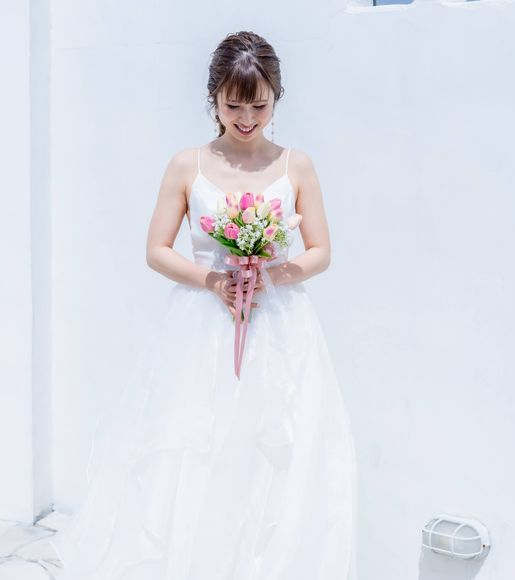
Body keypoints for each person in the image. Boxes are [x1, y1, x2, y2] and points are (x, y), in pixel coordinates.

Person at [49, 30, 359, 579]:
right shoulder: (186, 165)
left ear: (277, 97)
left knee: (273, 453)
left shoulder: (297, 166)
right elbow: (156, 250)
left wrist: (267, 276)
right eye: (233, 105)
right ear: (213, 97)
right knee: (202, 448)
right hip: (202, 330)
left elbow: (320, 252)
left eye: (259, 105)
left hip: (280, 327)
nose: (246, 118)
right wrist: (215, 281)